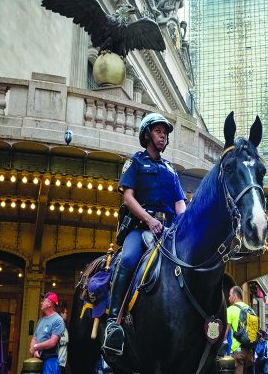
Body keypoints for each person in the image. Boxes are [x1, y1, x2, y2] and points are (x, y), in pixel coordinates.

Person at [103, 113, 186, 355]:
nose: (163, 136)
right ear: (147, 134)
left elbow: (180, 204)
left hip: (167, 231)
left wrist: (185, 226)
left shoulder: (170, 170)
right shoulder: (135, 162)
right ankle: (112, 324)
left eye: (166, 133)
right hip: (140, 229)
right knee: (127, 259)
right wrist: (149, 220)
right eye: (159, 131)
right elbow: (128, 198)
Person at [30, 291, 64, 374]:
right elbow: (34, 338)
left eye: (43, 300)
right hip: (38, 359)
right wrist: (34, 350)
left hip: (51, 361)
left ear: (50, 304)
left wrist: (36, 347)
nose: (41, 302)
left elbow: (52, 342)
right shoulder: (41, 320)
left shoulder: (58, 320)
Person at [224, 286, 256, 374]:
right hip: (249, 352)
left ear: (234, 296)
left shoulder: (230, 310)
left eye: (230, 295)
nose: (229, 298)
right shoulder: (250, 309)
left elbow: (225, 333)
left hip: (238, 352)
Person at [58, 302, 69, 373]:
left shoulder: (64, 325)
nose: (66, 314)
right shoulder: (58, 325)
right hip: (58, 359)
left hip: (62, 358)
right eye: (64, 313)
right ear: (60, 314)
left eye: (66, 313)